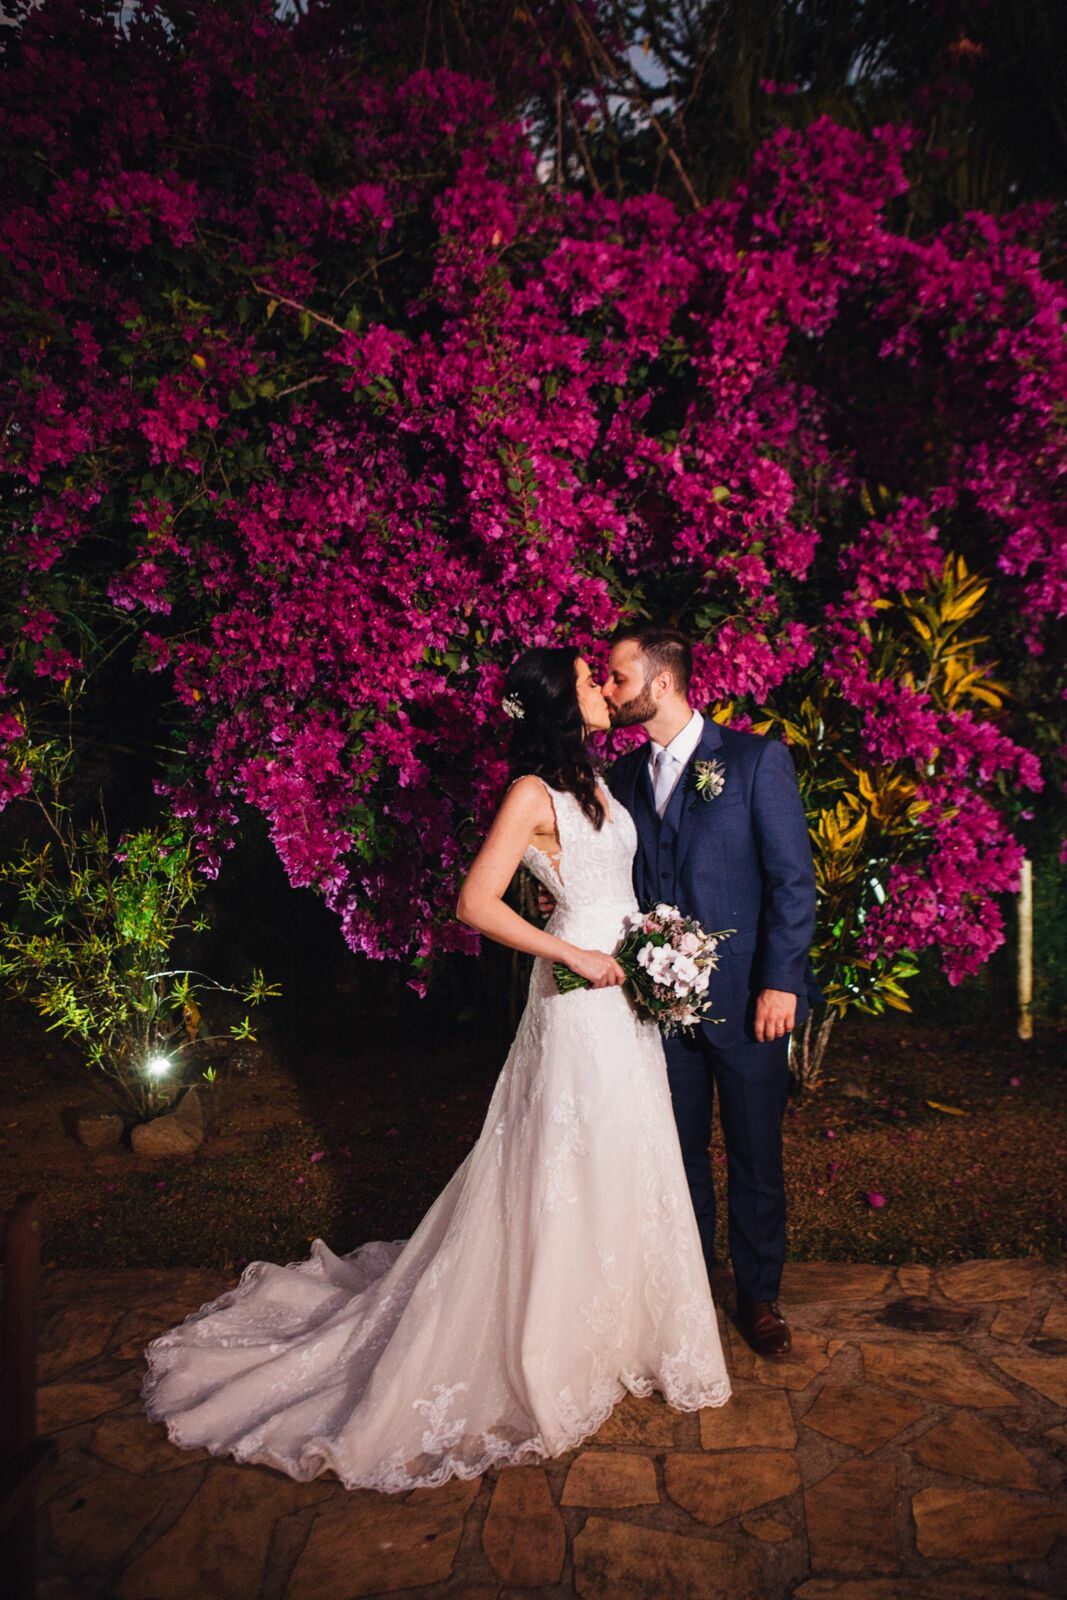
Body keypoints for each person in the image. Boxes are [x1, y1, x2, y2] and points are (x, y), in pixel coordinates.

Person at [140, 647, 731, 1493]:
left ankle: (622, 1330)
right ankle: (548, 1338)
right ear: (558, 705)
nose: (604, 686)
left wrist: (650, 952)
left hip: (622, 994)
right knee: (563, 1162)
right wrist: (574, 952)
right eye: (586, 680)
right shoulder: (531, 795)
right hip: (575, 994)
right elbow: (475, 902)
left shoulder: (599, 782)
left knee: (624, 1154)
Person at [601, 623, 820, 1357]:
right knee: (677, 1153)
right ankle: (693, 1285)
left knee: (755, 1156)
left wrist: (779, 985)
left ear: (661, 683)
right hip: (656, 1010)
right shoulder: (624, 779)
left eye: (618, 678)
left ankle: (759, 1298)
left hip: (749, 1002)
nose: (608, 689)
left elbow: (792, 882)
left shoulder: (755, 762)